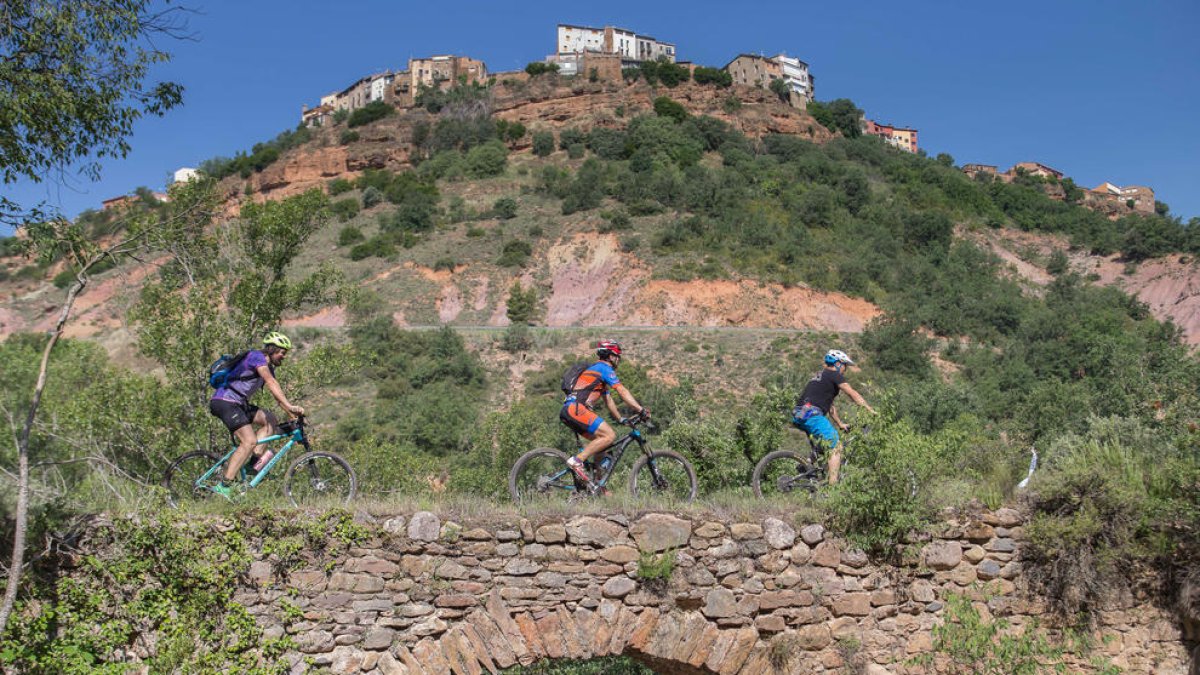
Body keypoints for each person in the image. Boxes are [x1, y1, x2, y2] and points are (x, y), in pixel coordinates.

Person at [207, 332, 304, 499]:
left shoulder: (269, 368)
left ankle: (253, 465)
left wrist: (292, 416)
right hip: (225, 401)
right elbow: (272, 383)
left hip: (239, 404)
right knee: (249, 440)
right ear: (272, 349)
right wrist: (290, 406)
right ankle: (224, 486)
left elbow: (276, 394)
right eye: (282, 352)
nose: (283, 356)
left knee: (270, 420)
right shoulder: (256, 357)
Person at [560, 340, 649, 492]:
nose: (618, 359)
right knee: (609, 435)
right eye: (617, 355)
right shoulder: (603, 368)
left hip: (570, 411)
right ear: (610, 356)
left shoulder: (597, 372)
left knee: (603, 446)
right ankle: (577, 461)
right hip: (576, 409)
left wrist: (621, 419)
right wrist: (640, 409)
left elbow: (608, 400)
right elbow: (622, 391)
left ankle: (597, 485)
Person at [792, 349, 876, 484]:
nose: (845, 370)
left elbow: (830, 406)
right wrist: (869, 410)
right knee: (835, 446)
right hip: (811, 414)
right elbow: (852, 393)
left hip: (800, 413)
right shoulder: (834, 375)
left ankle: (806, 465)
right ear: (837, 364)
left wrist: (840, 423)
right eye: (845, 366)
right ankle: (833, 489)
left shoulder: (820, 376)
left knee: (822, 444)